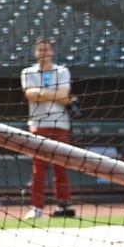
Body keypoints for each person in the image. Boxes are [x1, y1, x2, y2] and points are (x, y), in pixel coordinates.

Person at [20, 36, 75, 219]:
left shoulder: (62, 71)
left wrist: (41, 93)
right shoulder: (28, 72)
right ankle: (37, 208)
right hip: (38, 125)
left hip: (60, 124)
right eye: (40, 50)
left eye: (47, 49)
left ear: (52, 52)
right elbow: (30, 95)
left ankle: (64, 205)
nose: (44, 53)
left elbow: (63, 94)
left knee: (61, 167)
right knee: (38, 169)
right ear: (35, 53)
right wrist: (55, 95)